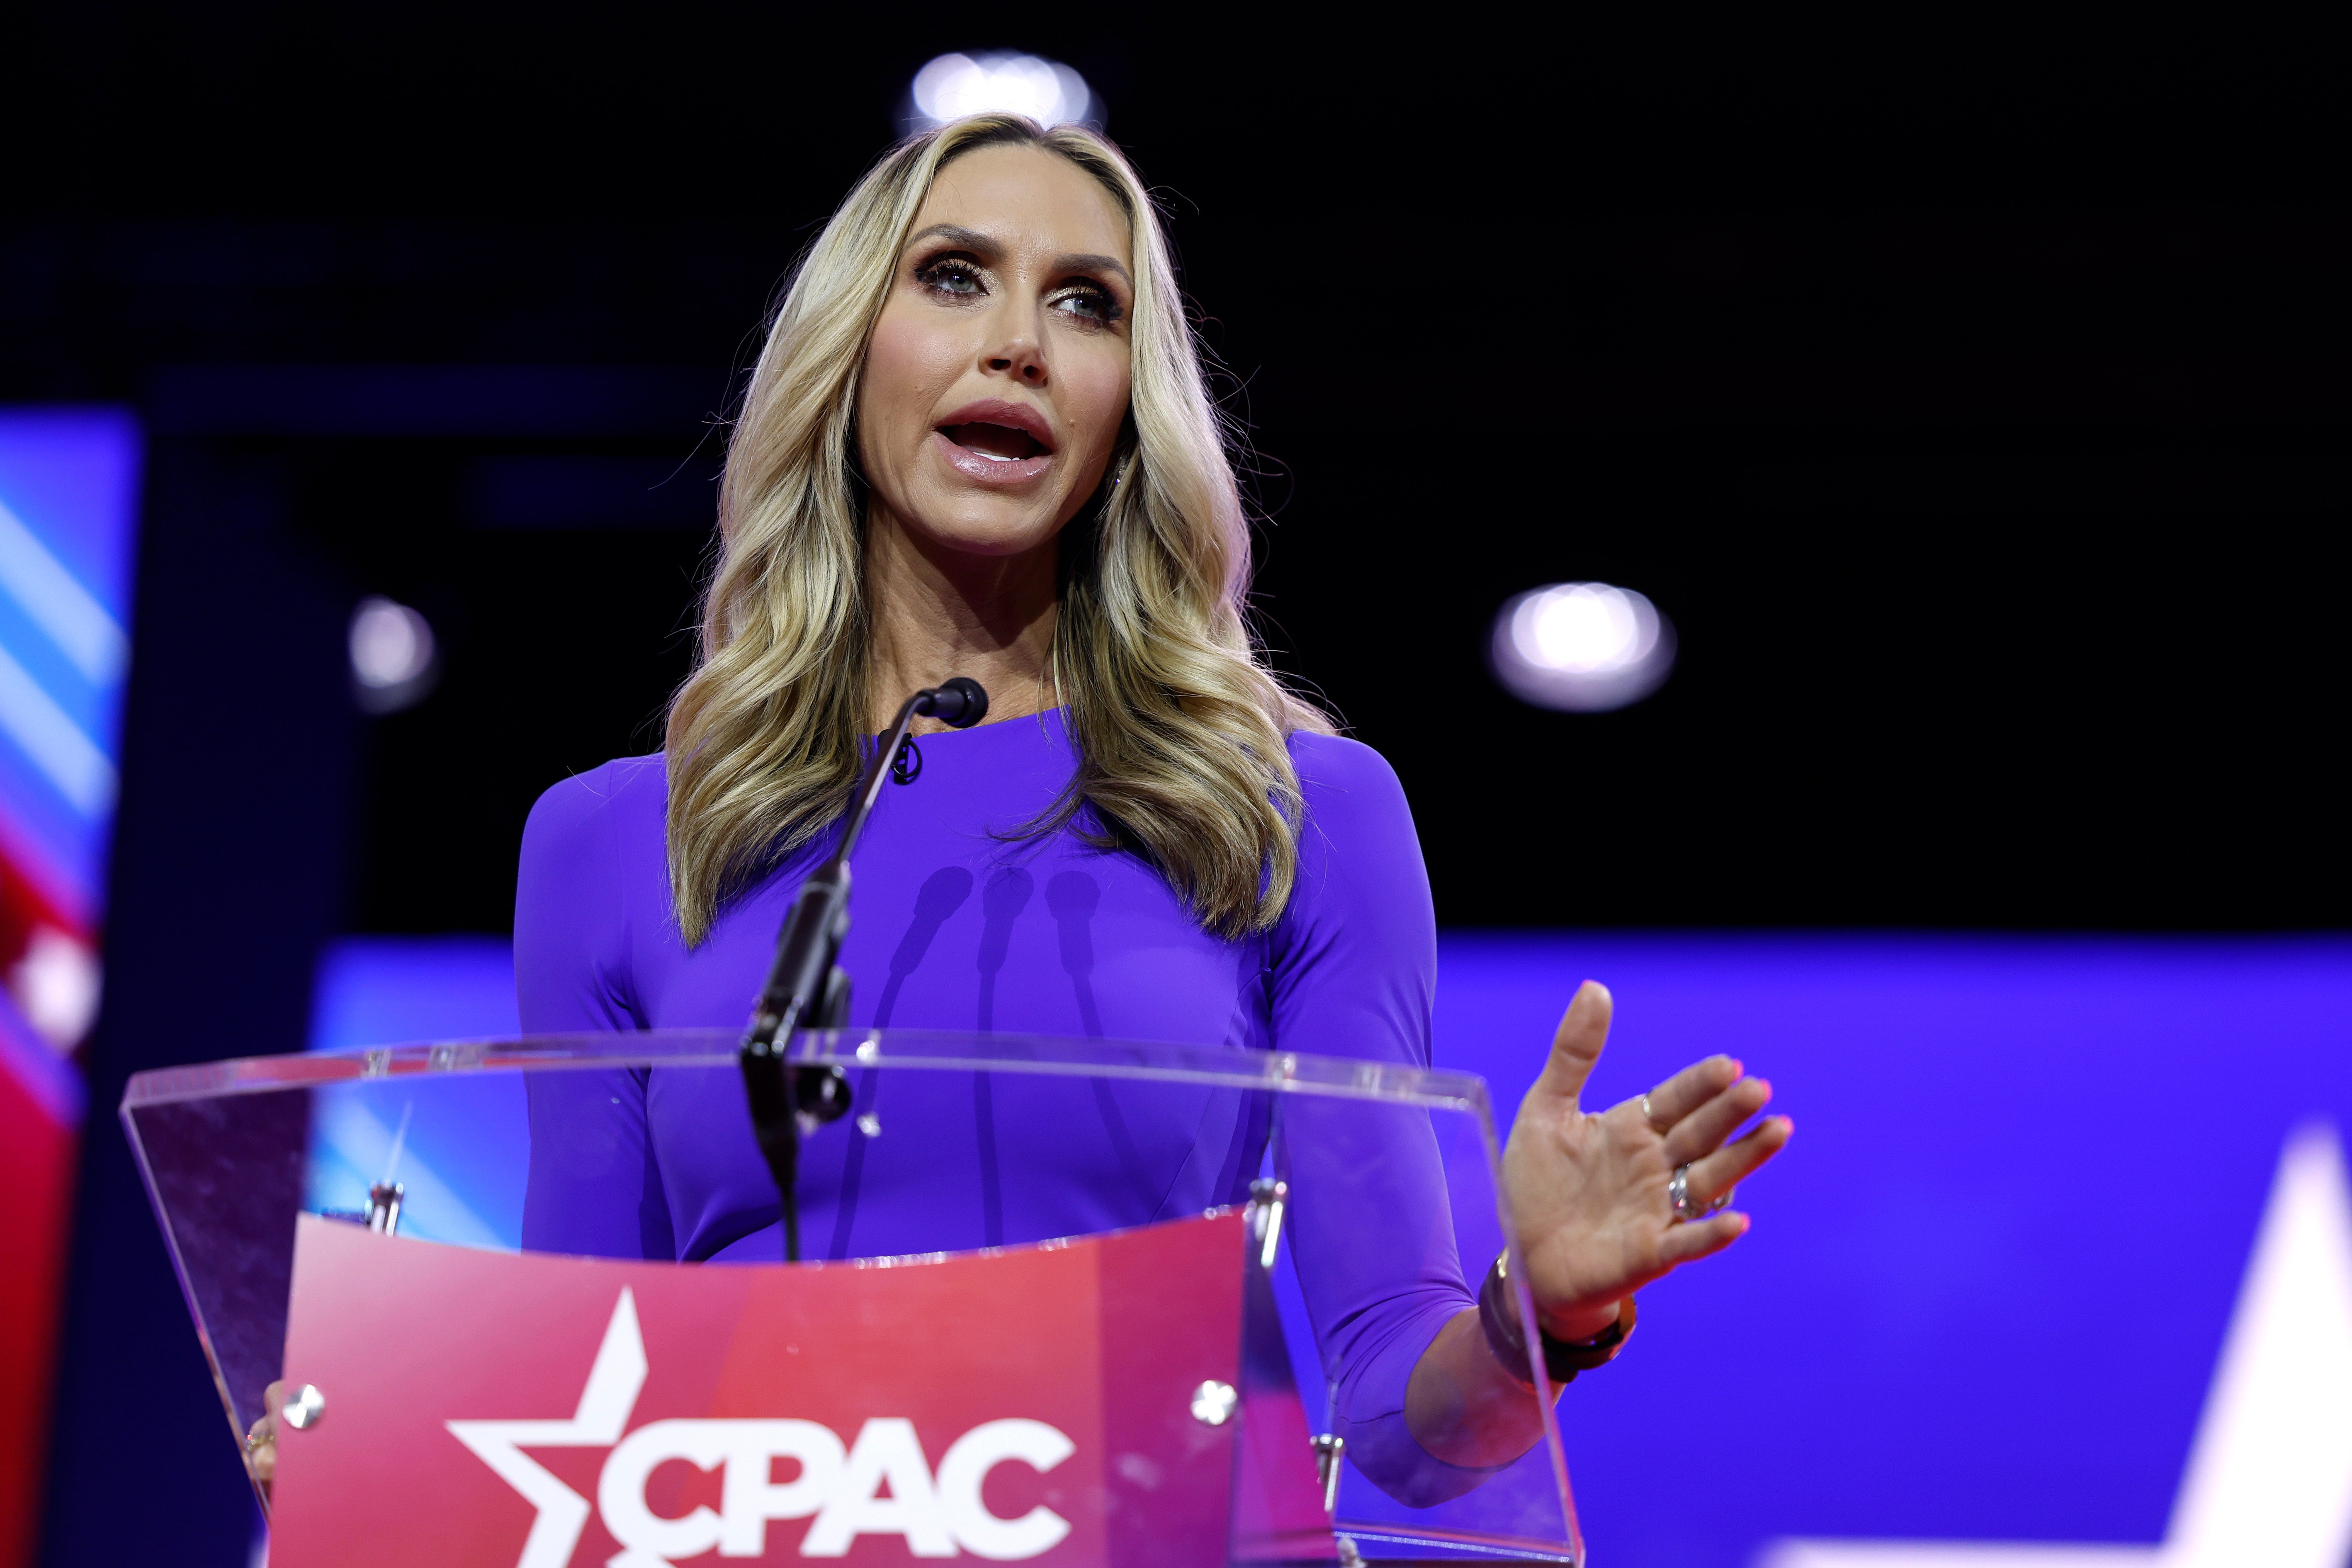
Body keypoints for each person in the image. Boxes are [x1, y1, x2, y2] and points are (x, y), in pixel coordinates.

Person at [248, 112, 1790, 1504]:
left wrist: (1540, 1317)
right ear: (847, 357)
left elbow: (1400, 1415)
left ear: (1131, 411)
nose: (1021, 346)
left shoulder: (1297, 814)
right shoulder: (616, 845)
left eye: (1086, 304)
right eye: (954, 279)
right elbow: (586, 1400)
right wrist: (395, 1466)